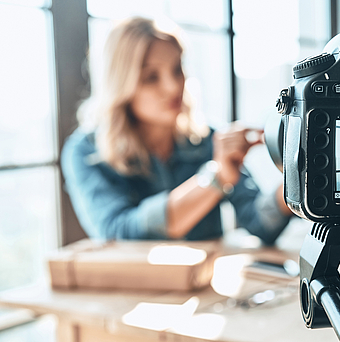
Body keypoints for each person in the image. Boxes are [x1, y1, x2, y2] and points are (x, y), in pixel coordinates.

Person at [61, 17, 291, 245]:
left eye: (176, 68)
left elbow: (259, 222)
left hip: (204, 279)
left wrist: (299, 183)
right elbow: (117, 233)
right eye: (151, 77)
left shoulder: (208, 138)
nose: (173, 86)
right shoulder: (85, 151)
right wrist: (216, 178)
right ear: (122, 84)